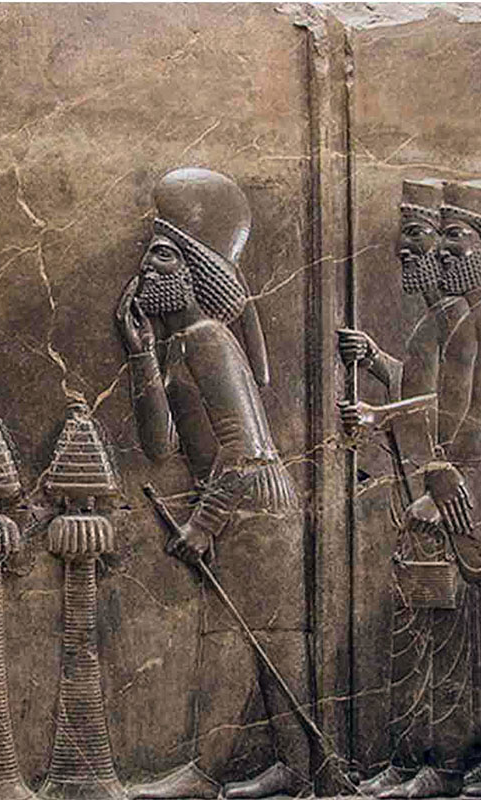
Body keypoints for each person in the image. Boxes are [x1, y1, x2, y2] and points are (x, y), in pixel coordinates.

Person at [116, 168, 310, 799]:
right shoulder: (178, 347)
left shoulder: (208, 340)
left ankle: (211, 773)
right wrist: (141, 352)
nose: (144, 271)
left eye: (161, 257)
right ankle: (297, 769)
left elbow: (245, 450)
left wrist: (202, 525)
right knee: (261, 642)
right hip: (237, 503)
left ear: (195, 271)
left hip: (253, 504)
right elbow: (160, 445)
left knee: (240, 640)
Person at [338, 178, 481, 798]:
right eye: (435, 237)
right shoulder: (451, 321)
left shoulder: (466, 319)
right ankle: (421, 756)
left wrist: (444, 472)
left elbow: (462, 417)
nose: (438, 251)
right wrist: (379, 404)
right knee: (429, 628)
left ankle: (447, 764)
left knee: (447, 633)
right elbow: (434, 400)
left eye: (454, 236)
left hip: (462, 492)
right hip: (445, 485)